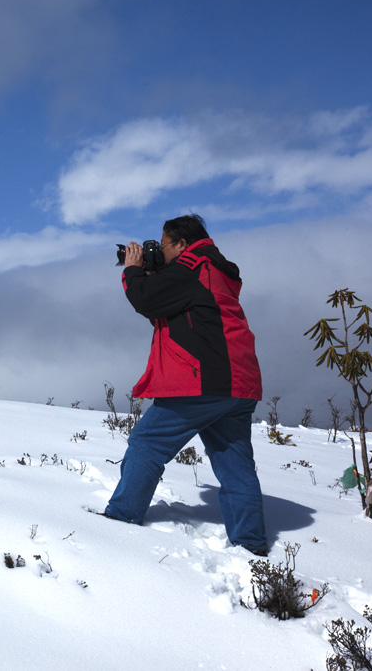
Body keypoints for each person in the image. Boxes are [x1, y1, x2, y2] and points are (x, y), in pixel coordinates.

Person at [104, 214, 268, 555]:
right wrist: (155, 270)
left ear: (181, 244)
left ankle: (121, 517)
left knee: (147, 441)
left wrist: (133, 270)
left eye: (163, 245)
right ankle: (250, 543)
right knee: (234, 463)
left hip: (204, 381)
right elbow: (168, 307)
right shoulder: (216, 269)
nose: (160, 252)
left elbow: (146, 299)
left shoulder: (192, 266)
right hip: (239, 383)